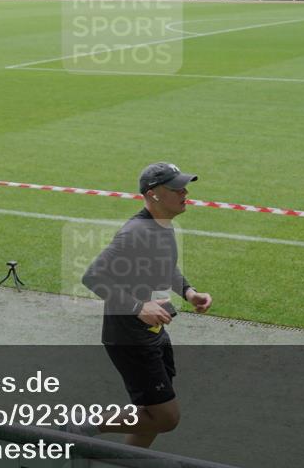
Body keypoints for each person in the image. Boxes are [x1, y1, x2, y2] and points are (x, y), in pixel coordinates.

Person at [74, 162, 213, 448]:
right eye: (176, 188)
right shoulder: (136, 232)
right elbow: (92, 277)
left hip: (151, 332)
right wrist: (139, 307)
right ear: (153, 195)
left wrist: (189, 292)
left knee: (151, 414)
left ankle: (125, 467)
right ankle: (79, 426)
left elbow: (167, 267)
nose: (184, 192)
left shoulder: (162, 226)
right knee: (166, 417)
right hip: (129, 337)